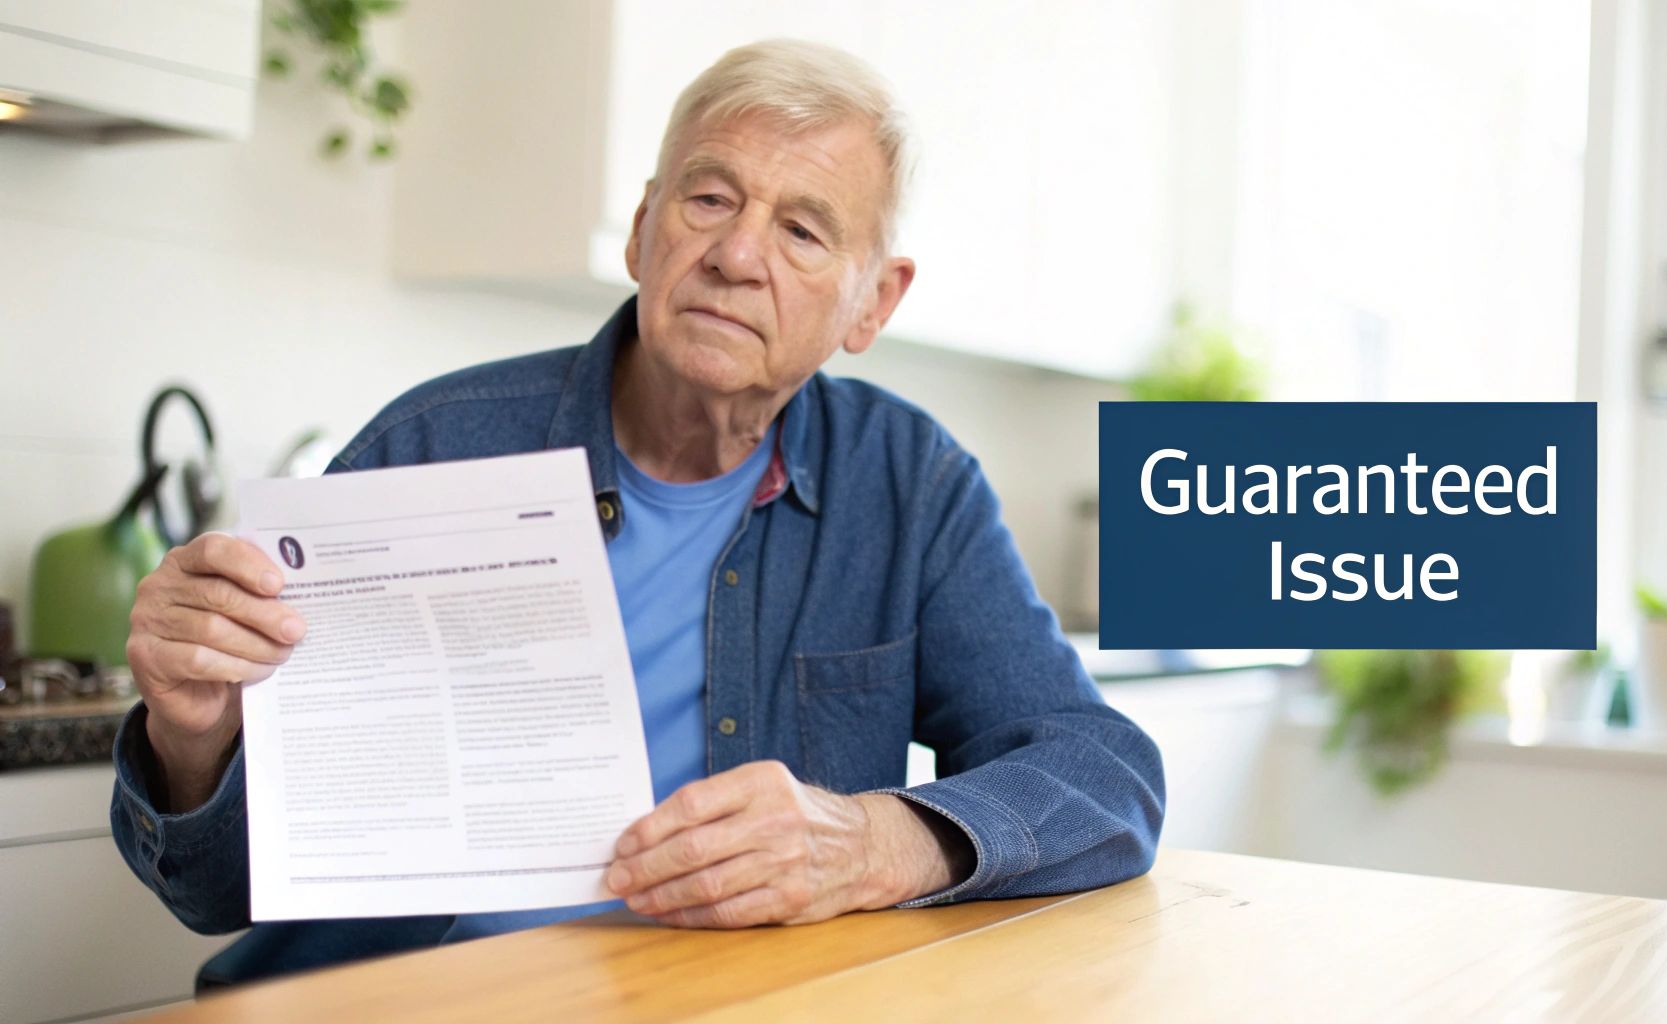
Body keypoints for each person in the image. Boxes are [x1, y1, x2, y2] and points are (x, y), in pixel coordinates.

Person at [111, 38, 1164, 987]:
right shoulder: (427, 448)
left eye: (800, 229)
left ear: (871, 304)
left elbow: (1106, 778)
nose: (737, 255)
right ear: (644, 228)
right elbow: (214, 896)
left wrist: (865, 840)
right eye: (710, 200)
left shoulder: (907, 482)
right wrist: (191, 735)